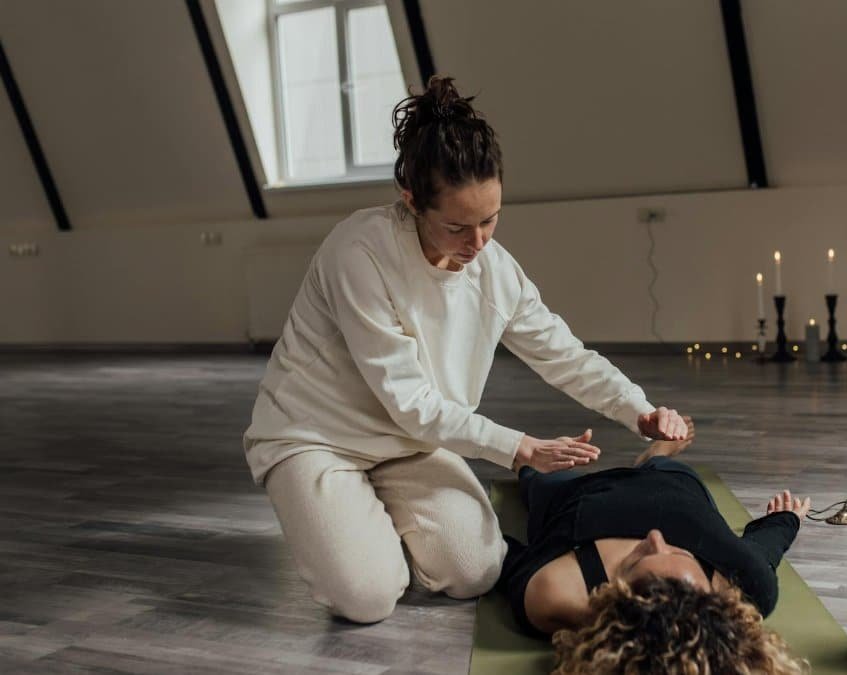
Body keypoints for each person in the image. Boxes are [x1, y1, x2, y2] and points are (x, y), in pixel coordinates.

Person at [242, 76, 689, 623]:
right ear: (411, 200)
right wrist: (520, 448)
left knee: (476, 570)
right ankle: (348, 522)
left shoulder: (494, 269)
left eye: (490, 220)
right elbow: (409, 401)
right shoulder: (359, 253)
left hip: (411, 444)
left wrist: (638, 410)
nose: (478, 243)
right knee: (368, 597)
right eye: (457, 226)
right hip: (317, 437)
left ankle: (372, 521)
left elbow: (564, 354)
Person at [499, 425, 812, 674]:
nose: (655, 537)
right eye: (681, 552)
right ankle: (656, 455)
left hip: (576, 494)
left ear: (612, 600)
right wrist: (786, 520)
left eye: (635, 562)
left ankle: (536, 471)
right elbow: (763, 548)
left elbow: (500, 556)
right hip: (674, 484)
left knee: (531, 472)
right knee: (664, 465)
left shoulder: (555, 593)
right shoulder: (745, 582)